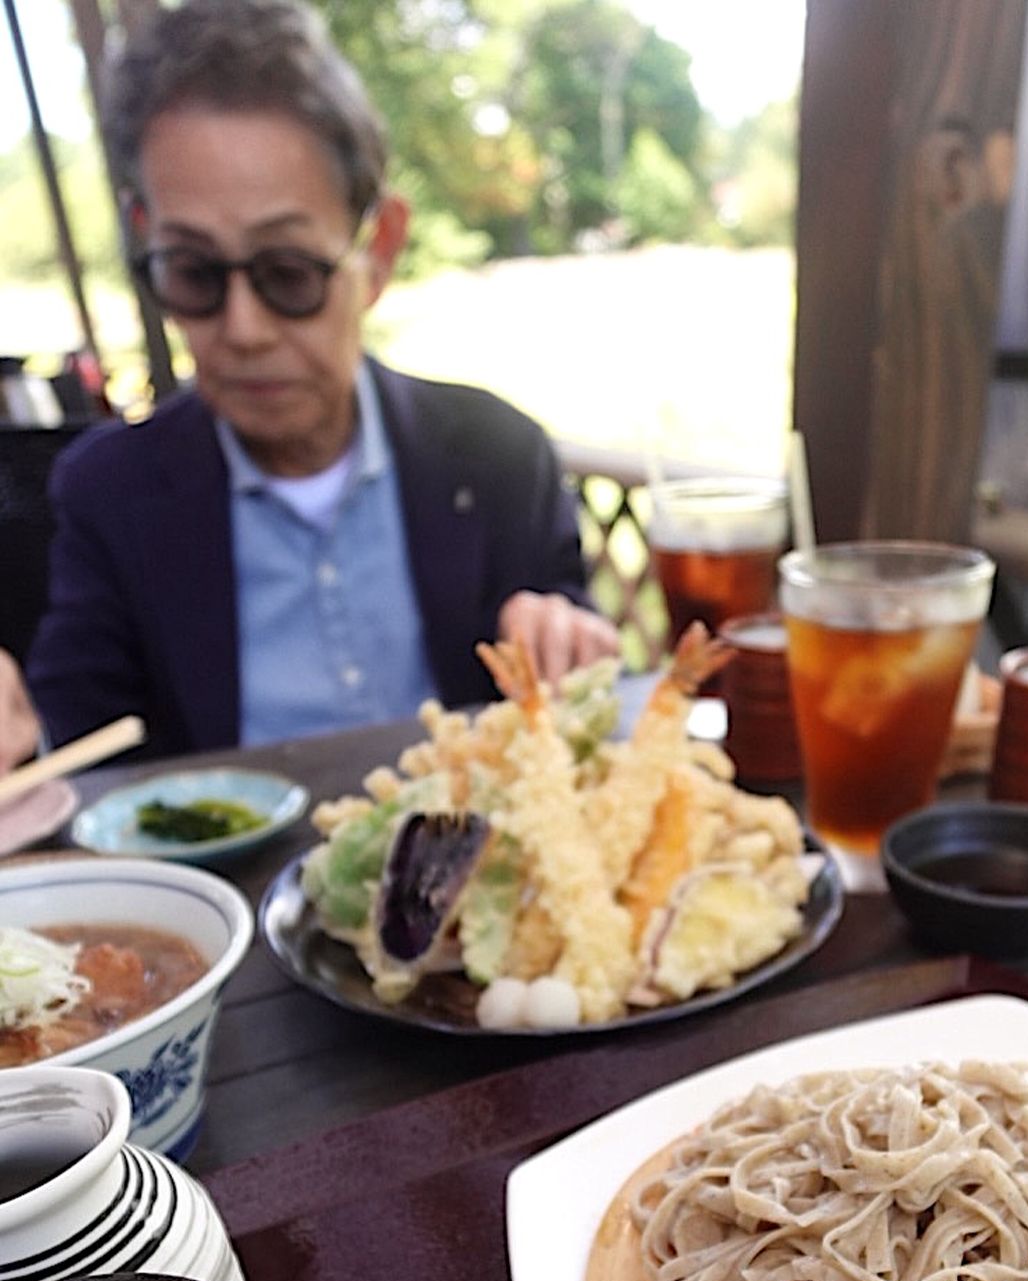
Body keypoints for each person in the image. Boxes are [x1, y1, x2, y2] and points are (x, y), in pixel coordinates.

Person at [1, 0, 616, 767]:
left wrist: (568, 644)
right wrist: (23, 735)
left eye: (288, 272)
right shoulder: (107, 491)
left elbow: (576, 682)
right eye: (193, 272)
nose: (244, 328)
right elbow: (80, 743)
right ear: (143, 237)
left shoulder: (497, 456)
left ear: (379, 248)